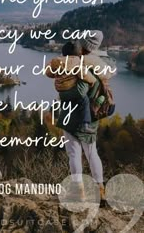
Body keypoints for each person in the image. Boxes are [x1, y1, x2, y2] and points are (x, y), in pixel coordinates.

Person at [51, 31, 114, 203]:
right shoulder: (102, 64)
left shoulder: (80, 65)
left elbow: (77, 92)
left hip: (72, 115)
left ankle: (79, 192)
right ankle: (100, 190)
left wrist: (60, 88)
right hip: (92, 116)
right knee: (92, 153)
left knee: (74, 154)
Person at [46, 41, 99, 133]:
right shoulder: (75, 62)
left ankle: (58, 112)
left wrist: (50, 65)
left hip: (61, 91)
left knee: (66, 102)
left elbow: (49, 73)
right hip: (72, 90)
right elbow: (84, 74)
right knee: (84, 101)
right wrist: (93, 81)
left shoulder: (57, 62)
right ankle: (85, 124)